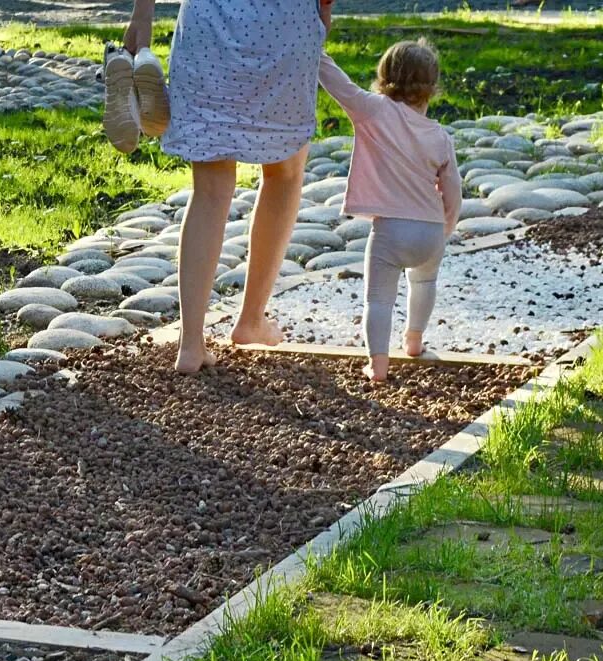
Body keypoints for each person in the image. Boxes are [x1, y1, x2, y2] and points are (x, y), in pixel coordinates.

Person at [122, 0, 329, 373]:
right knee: (285, 174)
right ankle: (251, 320)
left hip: (208, 27)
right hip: (285, 27)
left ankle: (190, 343)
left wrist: (142, 14)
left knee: (210, 191)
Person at [317, 34, 462, 381]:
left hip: (390, 231)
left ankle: (377, 364)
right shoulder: (439, 135)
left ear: (384, 79)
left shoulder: (374, 110)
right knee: (424, 283)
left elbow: (340, 84)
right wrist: (447, 226)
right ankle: (414, 342)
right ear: (432, 87)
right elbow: (453, 189)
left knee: (379, 300)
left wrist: (315, 50)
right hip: (430, 231)